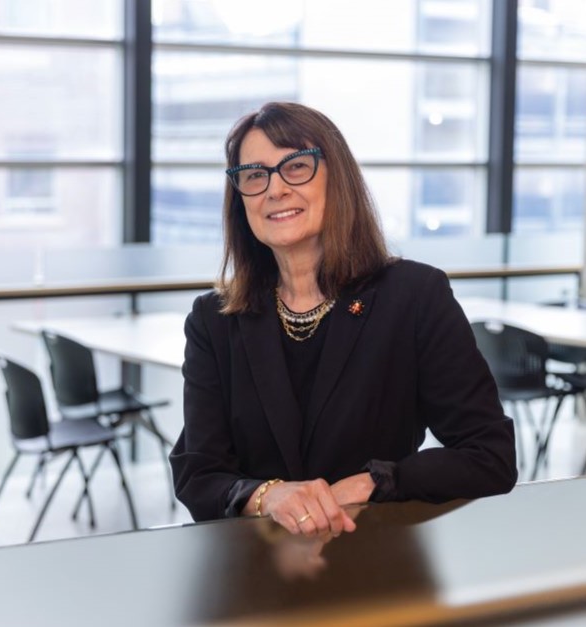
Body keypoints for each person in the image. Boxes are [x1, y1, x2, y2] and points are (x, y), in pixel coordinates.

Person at [169, 102, 517, 537]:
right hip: (253, 570)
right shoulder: (213, 320)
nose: (275, 189)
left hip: (378, 559)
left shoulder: (413, 296)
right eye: (255, 175)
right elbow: (198, 476)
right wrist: (268, 495)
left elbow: (489, 455)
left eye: (296, 166)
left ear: (338, 178)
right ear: (240, 199)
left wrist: (373, 483)